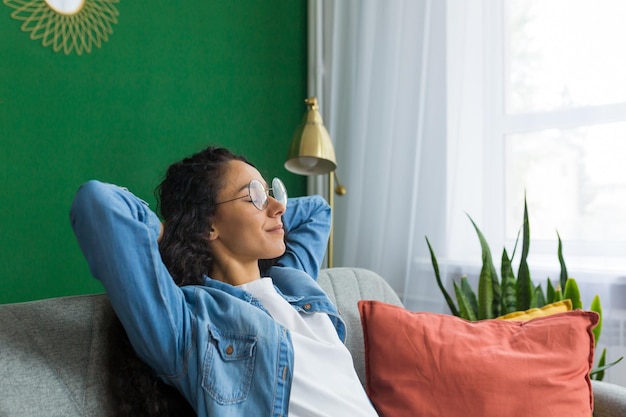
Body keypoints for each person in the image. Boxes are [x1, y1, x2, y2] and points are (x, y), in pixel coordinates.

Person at [70, 146, 379, 417]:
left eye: (271, 192)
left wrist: (256, 203)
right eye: (255, 196)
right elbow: (98, 203)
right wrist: (180, 230)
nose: (278, 207)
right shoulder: (188, 327)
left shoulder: (291, 281)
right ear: (209, 225)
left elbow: (317, 211)